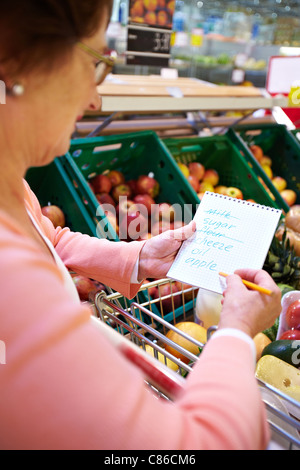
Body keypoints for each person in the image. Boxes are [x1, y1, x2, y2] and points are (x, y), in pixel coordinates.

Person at [0, 0, 282, 450]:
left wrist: (137, 257)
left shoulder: (10, 186)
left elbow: (45, 239)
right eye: (96, 65)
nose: (95, 99)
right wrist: (235, 333)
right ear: (18, 67)